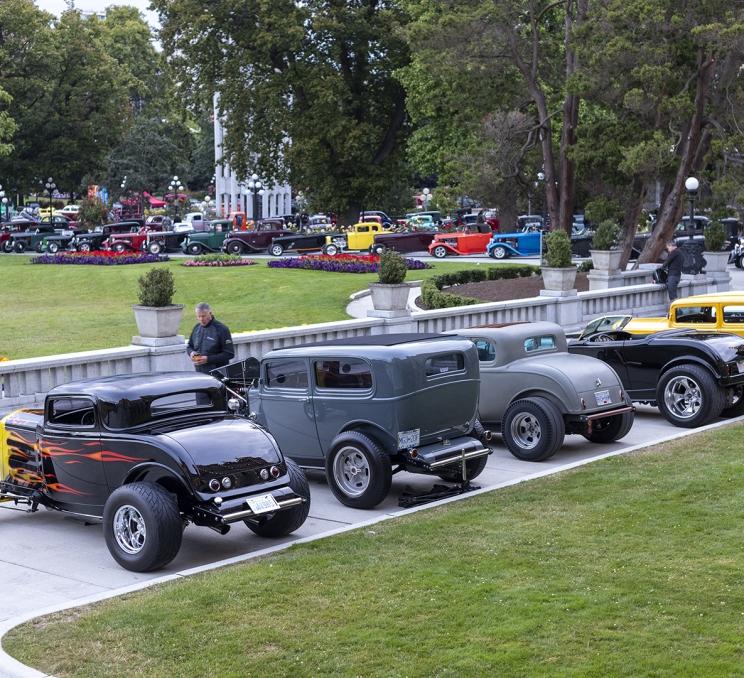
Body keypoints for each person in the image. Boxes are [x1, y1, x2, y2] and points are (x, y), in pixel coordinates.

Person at [187, 303, 234, 374]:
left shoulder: (222, 329)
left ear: (210, 314)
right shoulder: (196, 328)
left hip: (218, 375)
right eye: (199, 316)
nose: (201, 319)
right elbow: (189, 346)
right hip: (200, 374)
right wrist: (191, 353)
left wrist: (208, 359)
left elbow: (229, 354)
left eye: (203, 316)